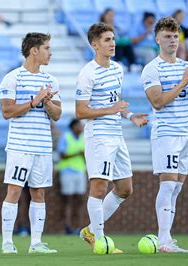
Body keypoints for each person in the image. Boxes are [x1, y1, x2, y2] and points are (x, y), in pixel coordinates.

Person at [75, 23, 148, 254]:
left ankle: (89, 230)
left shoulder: (118, 69)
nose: (113, 43)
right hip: (99, 137)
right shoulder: (87, 73)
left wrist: (130, 115)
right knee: (98, 188)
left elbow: (116, 102)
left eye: (113, 38)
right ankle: (99, 239)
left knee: (125, 189)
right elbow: (80, 112)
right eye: (107, 39)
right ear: (95, 45)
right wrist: (110, 109)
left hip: (117, 134)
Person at [141, 16, 188, 253]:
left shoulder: (186, 66)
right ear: (157, 38)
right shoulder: (151, 68)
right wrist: (182, 83)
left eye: (175, 36)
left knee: (177, 188)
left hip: (185, 134)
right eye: (167, 36)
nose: (172, 40)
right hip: (166, 134)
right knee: (167, 186)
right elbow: (158, 102)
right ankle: (164, 240)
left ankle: (167, 237)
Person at [0, 32, 61, 254]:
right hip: (19, 146)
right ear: (34, 50)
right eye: (46, 48)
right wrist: (34, 101)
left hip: (43, 146)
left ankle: (36, 243)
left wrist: (47, 102)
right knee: (14, 192)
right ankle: (7, 241)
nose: (50, 53)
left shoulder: (51, 80)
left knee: (39, 194)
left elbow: (57, 114)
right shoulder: (12, 78)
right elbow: (7, 111)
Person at [57, 119, 86, 234]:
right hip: (67, 171)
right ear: (74, 126)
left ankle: (79, 227)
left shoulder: (84, 137)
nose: (82, 127)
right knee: (68, 200)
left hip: (80, 171)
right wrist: (77, 153)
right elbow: (61, 154)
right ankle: (68, 226)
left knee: (80, 200)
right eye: (79, 125)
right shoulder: (65, 137)